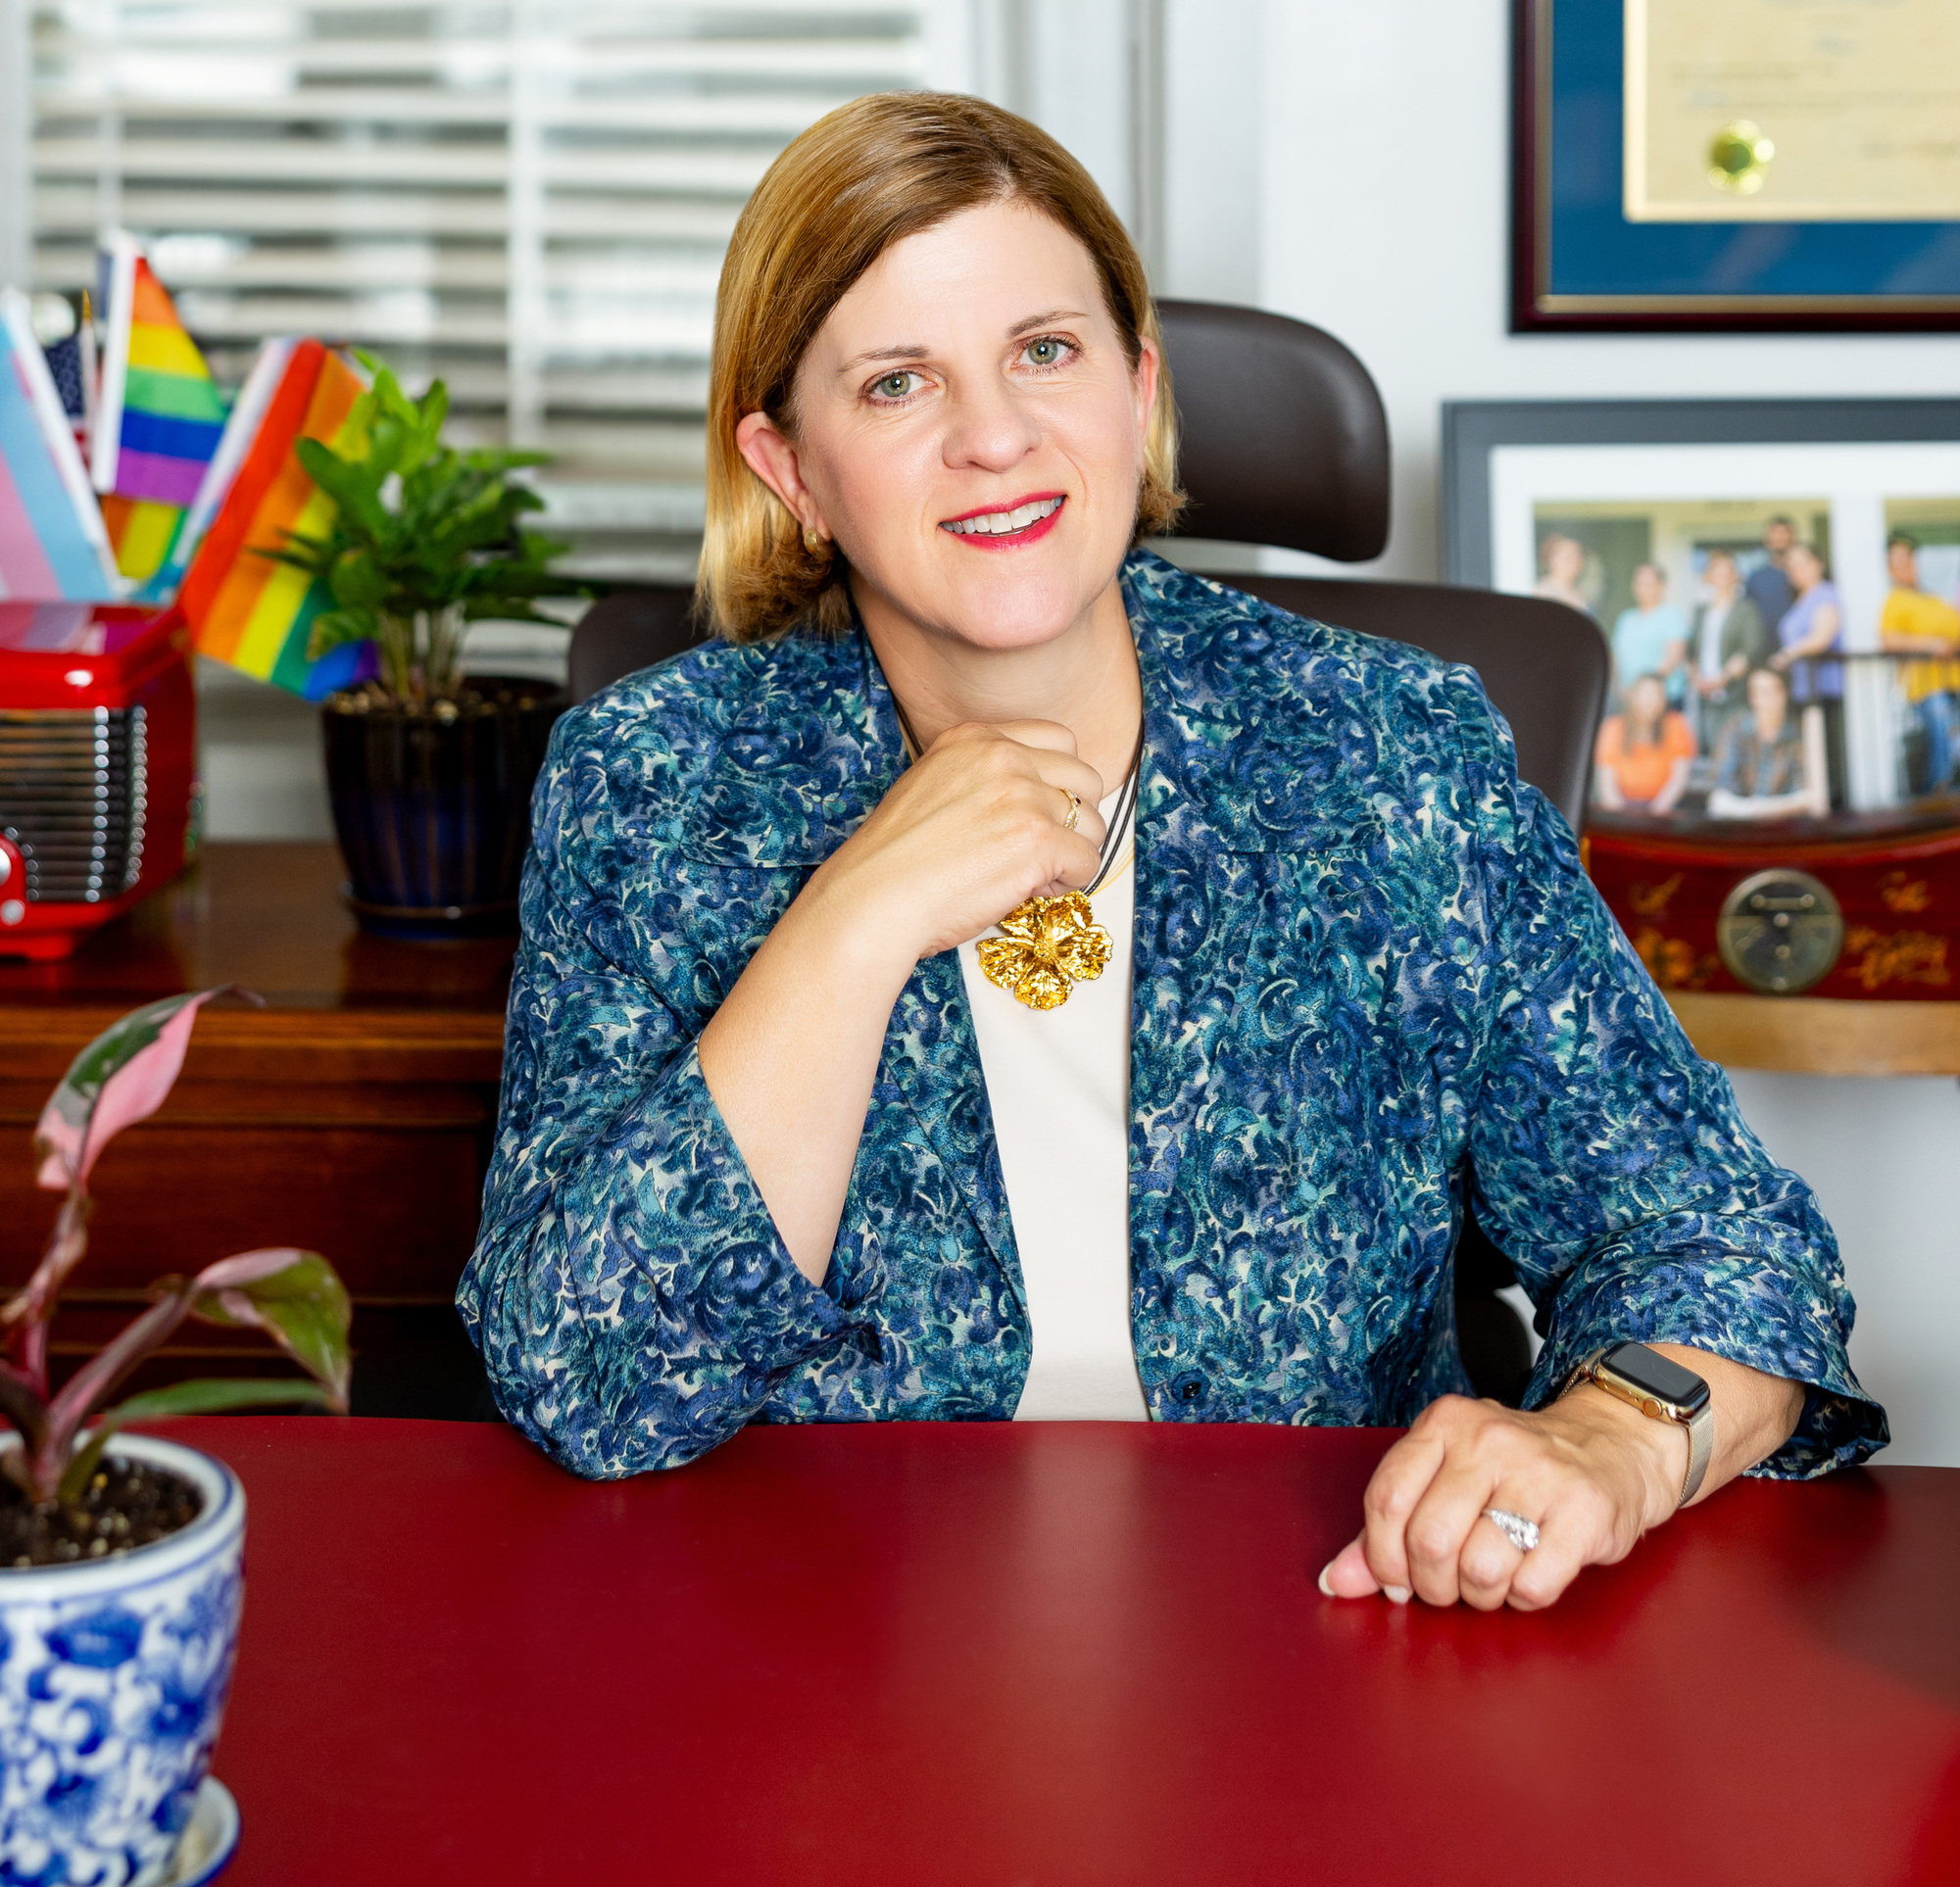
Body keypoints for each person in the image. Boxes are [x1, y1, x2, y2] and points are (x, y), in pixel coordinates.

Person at [460, 92, 1882, 1616]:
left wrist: (1610, 1435)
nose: (995, 434)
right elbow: (586, 1374)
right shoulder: (656, 782)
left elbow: (1720, 1239)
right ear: (791, 468)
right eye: (894, 384)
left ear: (1137, 391)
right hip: (819, 1653)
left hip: (1317, 1626)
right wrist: (854, 919)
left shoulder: (1388, 753)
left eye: (1047, 352)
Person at [1878, 532, 1960, 794]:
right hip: (1926, 686)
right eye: (1896, 561)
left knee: (1950, 738)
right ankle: (1937, 792)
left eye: (1908, 558)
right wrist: (1931, 644)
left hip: (1953, 682)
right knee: (1942, 738)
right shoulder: (1895, 600)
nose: (1904, 565)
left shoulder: (1933, 597)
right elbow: (1889, 641)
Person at [1770, 542, 1844, 801]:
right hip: (1802, 690)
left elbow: (1821, 637)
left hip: (1822, 689)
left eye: (1802, 563)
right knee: (1809, 755)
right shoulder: (1800, 598)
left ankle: (1831, 816)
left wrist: (1789, 653)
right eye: (1791, 566)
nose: (1796, 570)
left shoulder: (1825, 593)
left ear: (1818, 564)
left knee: (1826, 756)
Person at [1708, 666, 1816, 819]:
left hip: (1784, 827)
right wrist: (1751, 810)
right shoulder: (1735, 730)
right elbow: (1720, 790)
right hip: (1739, 825)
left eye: (1773, 691)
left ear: (1784, 694)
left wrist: (1764, 810)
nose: (1768, 699)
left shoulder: (1798, 735)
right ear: (1752, 697)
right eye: (1761, 692)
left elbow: (1806, 795)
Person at [1689, 549, 1770, 732]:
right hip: (1704, 696)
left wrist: (1722, 679)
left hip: (1734, 695)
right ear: (1709, 577)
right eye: (1717, 571)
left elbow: (1750, 650)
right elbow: (1692, 652)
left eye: (1728, 571)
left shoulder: (1747, 609)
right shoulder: (1700, 612)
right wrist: (1696, 679)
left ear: (1736, 577)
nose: (1723, 576)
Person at [1593, 673, 1696, 813]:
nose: (1650, 701)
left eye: (1656, 694)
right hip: (1619, 810)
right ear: (1632, 697)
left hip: (1663, 808)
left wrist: (1654, 814)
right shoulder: (1612, 728)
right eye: (1644, 694)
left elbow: (1679, 779)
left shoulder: (1677, 725)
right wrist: (1622, 817)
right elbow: (1606, 784)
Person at [1610, 562, 1689, 705]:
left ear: (1661, 585)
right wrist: (1620, 689)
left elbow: (1674, 657)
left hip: (1663, 699)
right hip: (1629, 699)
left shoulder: (1671, 615)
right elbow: (1616, 658)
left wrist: (1644, 690)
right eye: (1639, 583)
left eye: (1650, 583)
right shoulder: (1626, 618)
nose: (1644, 588)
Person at [1744, 516, 1797, 631]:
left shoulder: (1801, 575)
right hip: (1765, 644)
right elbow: (1748, 615)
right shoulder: (1756, 577)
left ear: (1792, 538)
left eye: (1784, 532)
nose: (1780, 537)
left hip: (1800, 643)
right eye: (1775, 532)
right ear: (1767, 539)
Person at [1535, 533, 1593, 616]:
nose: (1574, 562)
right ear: (1552, 560)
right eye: (1567, 557)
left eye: (1577, 556)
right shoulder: (1543, 593)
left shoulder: (1581, 594)